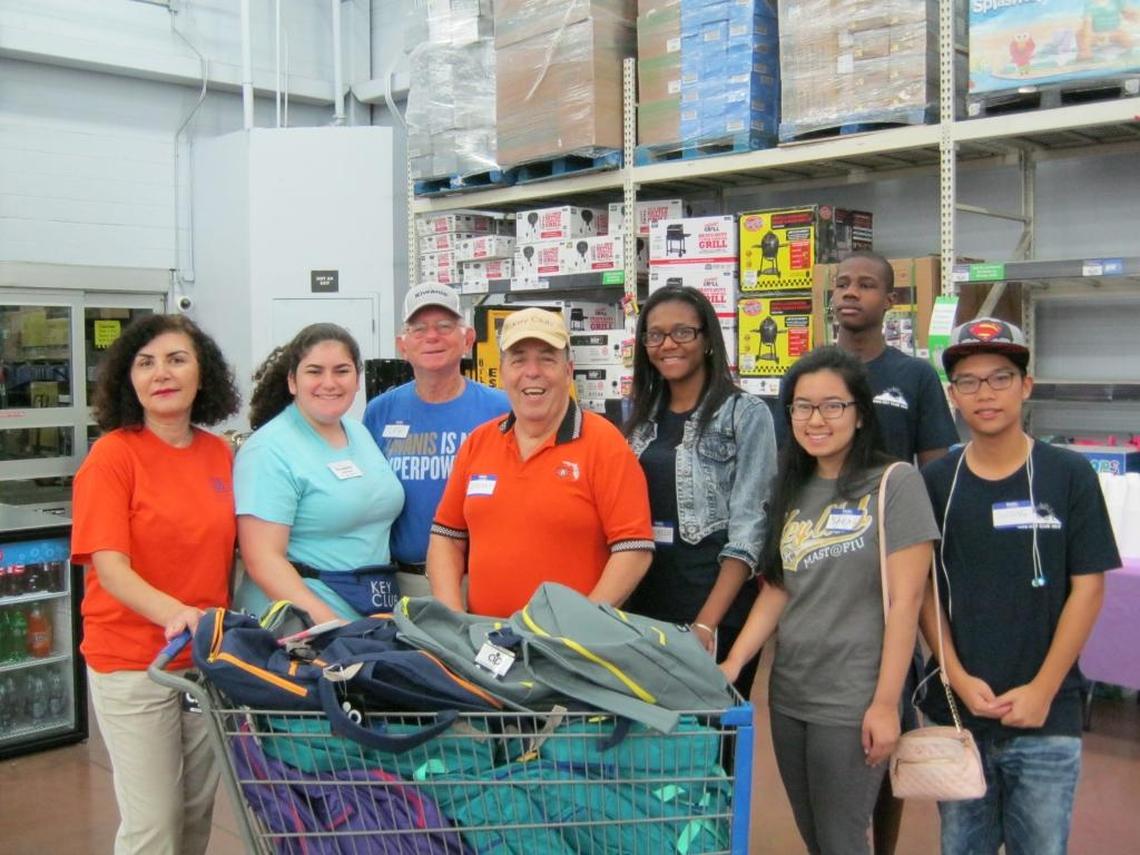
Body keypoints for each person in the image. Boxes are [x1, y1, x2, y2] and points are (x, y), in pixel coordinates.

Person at [719, 346, 939, 854]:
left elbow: (905, 605)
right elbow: (777, 588)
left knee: (842, 840)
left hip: (853, 698)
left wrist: (887, 705)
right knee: (817, 838)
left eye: (832, 406)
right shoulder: (792, 486)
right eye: (802, 406)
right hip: (791, 694)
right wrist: (733, 663)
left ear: (860, 413)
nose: (816, 419)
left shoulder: (893, 484)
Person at [919, 318, 1118, 855]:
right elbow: (923, 593)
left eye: (1000, 377)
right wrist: (956, 677)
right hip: (960, 716)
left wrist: (1044, 688)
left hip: (1046, 716)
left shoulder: (1069, 474)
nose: (985, 394)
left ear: (1026, 386)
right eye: (969, 381)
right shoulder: (936, 483)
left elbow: (1089, 588)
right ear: (952, 395)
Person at [71, 314, 241, 854]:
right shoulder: (112, 458)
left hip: (202, 661)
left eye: (176, 359)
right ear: (129, 379)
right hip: (131, 661)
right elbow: (111, 568)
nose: (161, 374)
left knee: (194, 815)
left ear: (201, 373)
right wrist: (178, 612)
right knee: (154, 822)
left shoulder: (220, 455)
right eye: (146, 363)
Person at [427, 307, 655, 617]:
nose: (531, 372)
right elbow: (446, 537)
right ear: (503, 370)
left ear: (568, 370)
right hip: (485, 645)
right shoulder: (479, 443)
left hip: (569, 651)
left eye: (547, 358)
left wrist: (581, 625)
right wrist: (454, 621)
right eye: (518, 359)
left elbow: (634, 549)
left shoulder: (605, 444)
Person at [623, 285, 777, 700]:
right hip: (643, 608)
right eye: (654, 335)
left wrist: (707, 623)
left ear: (707, 339)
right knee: (654, 751)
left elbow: (751, 529)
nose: (667, 344)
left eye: (682, 333)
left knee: (714, 745)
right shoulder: (638, 417)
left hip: (714, 609)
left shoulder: (745, 414)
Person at [234, 323, 405, 622]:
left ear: (357, 378)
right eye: (314, 371)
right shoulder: (269, 450)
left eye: (341, 371)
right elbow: (262, 559)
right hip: (303, 627)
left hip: (368, 619)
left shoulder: (359, 433)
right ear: (292, 381)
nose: (329, 383)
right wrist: (330, 627)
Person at [363, 284, 508, 598]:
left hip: (483, 581)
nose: (432, 337)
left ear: (467, 339)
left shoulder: (502, 409)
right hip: (404, 583)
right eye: (419, 329)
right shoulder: (379, 412)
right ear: (402, 345)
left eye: (445, 326)